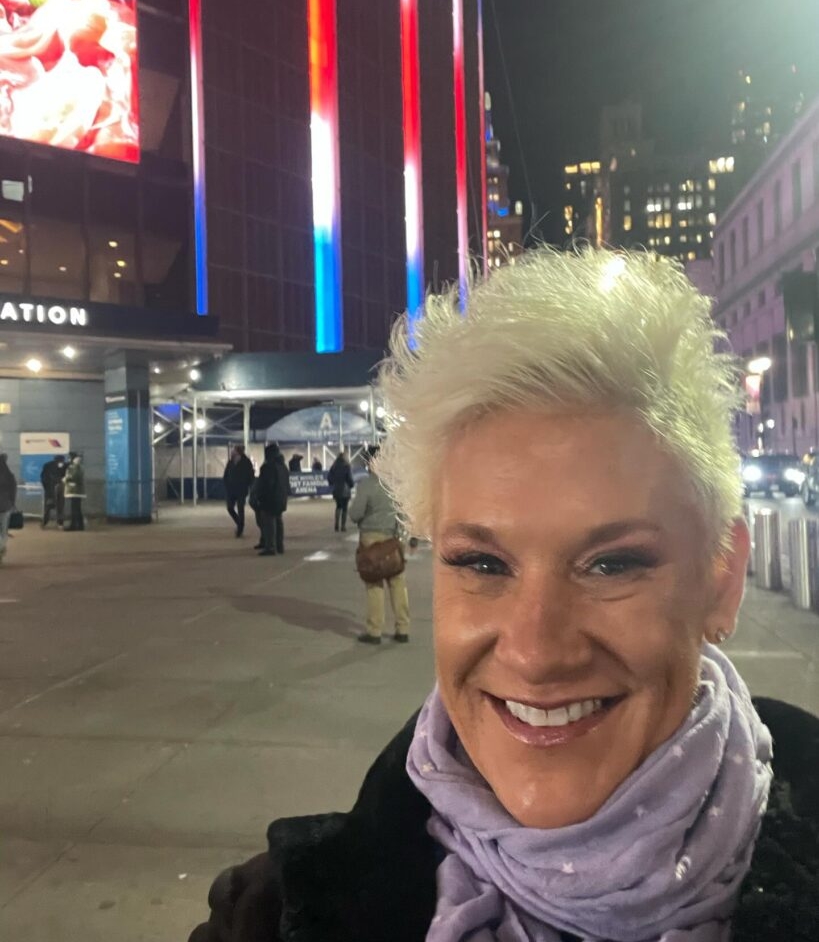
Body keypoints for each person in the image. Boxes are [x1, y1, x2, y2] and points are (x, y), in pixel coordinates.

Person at [188, 248, 819, 942]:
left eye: (610, 565)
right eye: (482, 563)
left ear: (721, 579)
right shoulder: (269, 914)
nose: (535, 650)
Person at [348, 445, 410, 644]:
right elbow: (403, 514)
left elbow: (355, 513)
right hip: (392, 540)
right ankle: (403, 628)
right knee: (397, 582)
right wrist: (401, 538)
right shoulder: (395, 485)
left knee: (374, 584)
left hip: (371, 539)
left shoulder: (367, 484)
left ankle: (375, 630)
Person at [256, 443, 290, 556]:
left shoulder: (268, 467)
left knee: (269, 522)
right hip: (281, 498)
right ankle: (280, 545)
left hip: (270, 498)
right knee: (279, 521)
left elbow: (266, 484)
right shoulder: (283, 466)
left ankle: (270, 547)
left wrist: (260, 496)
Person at [223, 445, 254, 538]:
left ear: (238, 451)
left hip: (241, 490)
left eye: (234, 450)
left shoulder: (246, 462)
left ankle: (240, 529)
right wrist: (226, 484)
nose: (232, 451)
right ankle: (239, 523)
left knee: (241, 509)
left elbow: (251, 476)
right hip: (231, 490)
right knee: (229, 508)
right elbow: (226, 474)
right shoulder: (230, 461)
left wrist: (248, 486)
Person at [326, 450, 354, 532]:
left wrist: (333, 483)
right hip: (345, 490)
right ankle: (343, 526)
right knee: (345, 508)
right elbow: (349, 478)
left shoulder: (333, 466)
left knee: (338, 506)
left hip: (336, 489)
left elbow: (329, 478)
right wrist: (351, 485)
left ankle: (336, 525)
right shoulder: (347, 466)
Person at [40, 454, 66, 528]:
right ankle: (56, 523)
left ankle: (47, 522)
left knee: (51, 507)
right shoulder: (49, 466)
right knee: (56, 506)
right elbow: (44, 478)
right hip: (53, 490)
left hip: (53, 490)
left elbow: (43, 477)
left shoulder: (48, 465)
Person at [0, 454, 17, 562]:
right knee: (4, 530)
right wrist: (12, 503)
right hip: (5, 505)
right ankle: (1, 548)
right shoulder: (9, 475)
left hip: (5, 505)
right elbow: (13, 490)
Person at [63, 453, 86, 532]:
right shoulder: (74, 467)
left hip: (75, 491)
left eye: (70, 458)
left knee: (75, 509)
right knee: (76, 509)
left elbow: (75, 476)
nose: (68, 460)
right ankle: (79, 525)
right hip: (74, 491)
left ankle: (75, 525)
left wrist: (66, 479)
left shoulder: (77, 467)